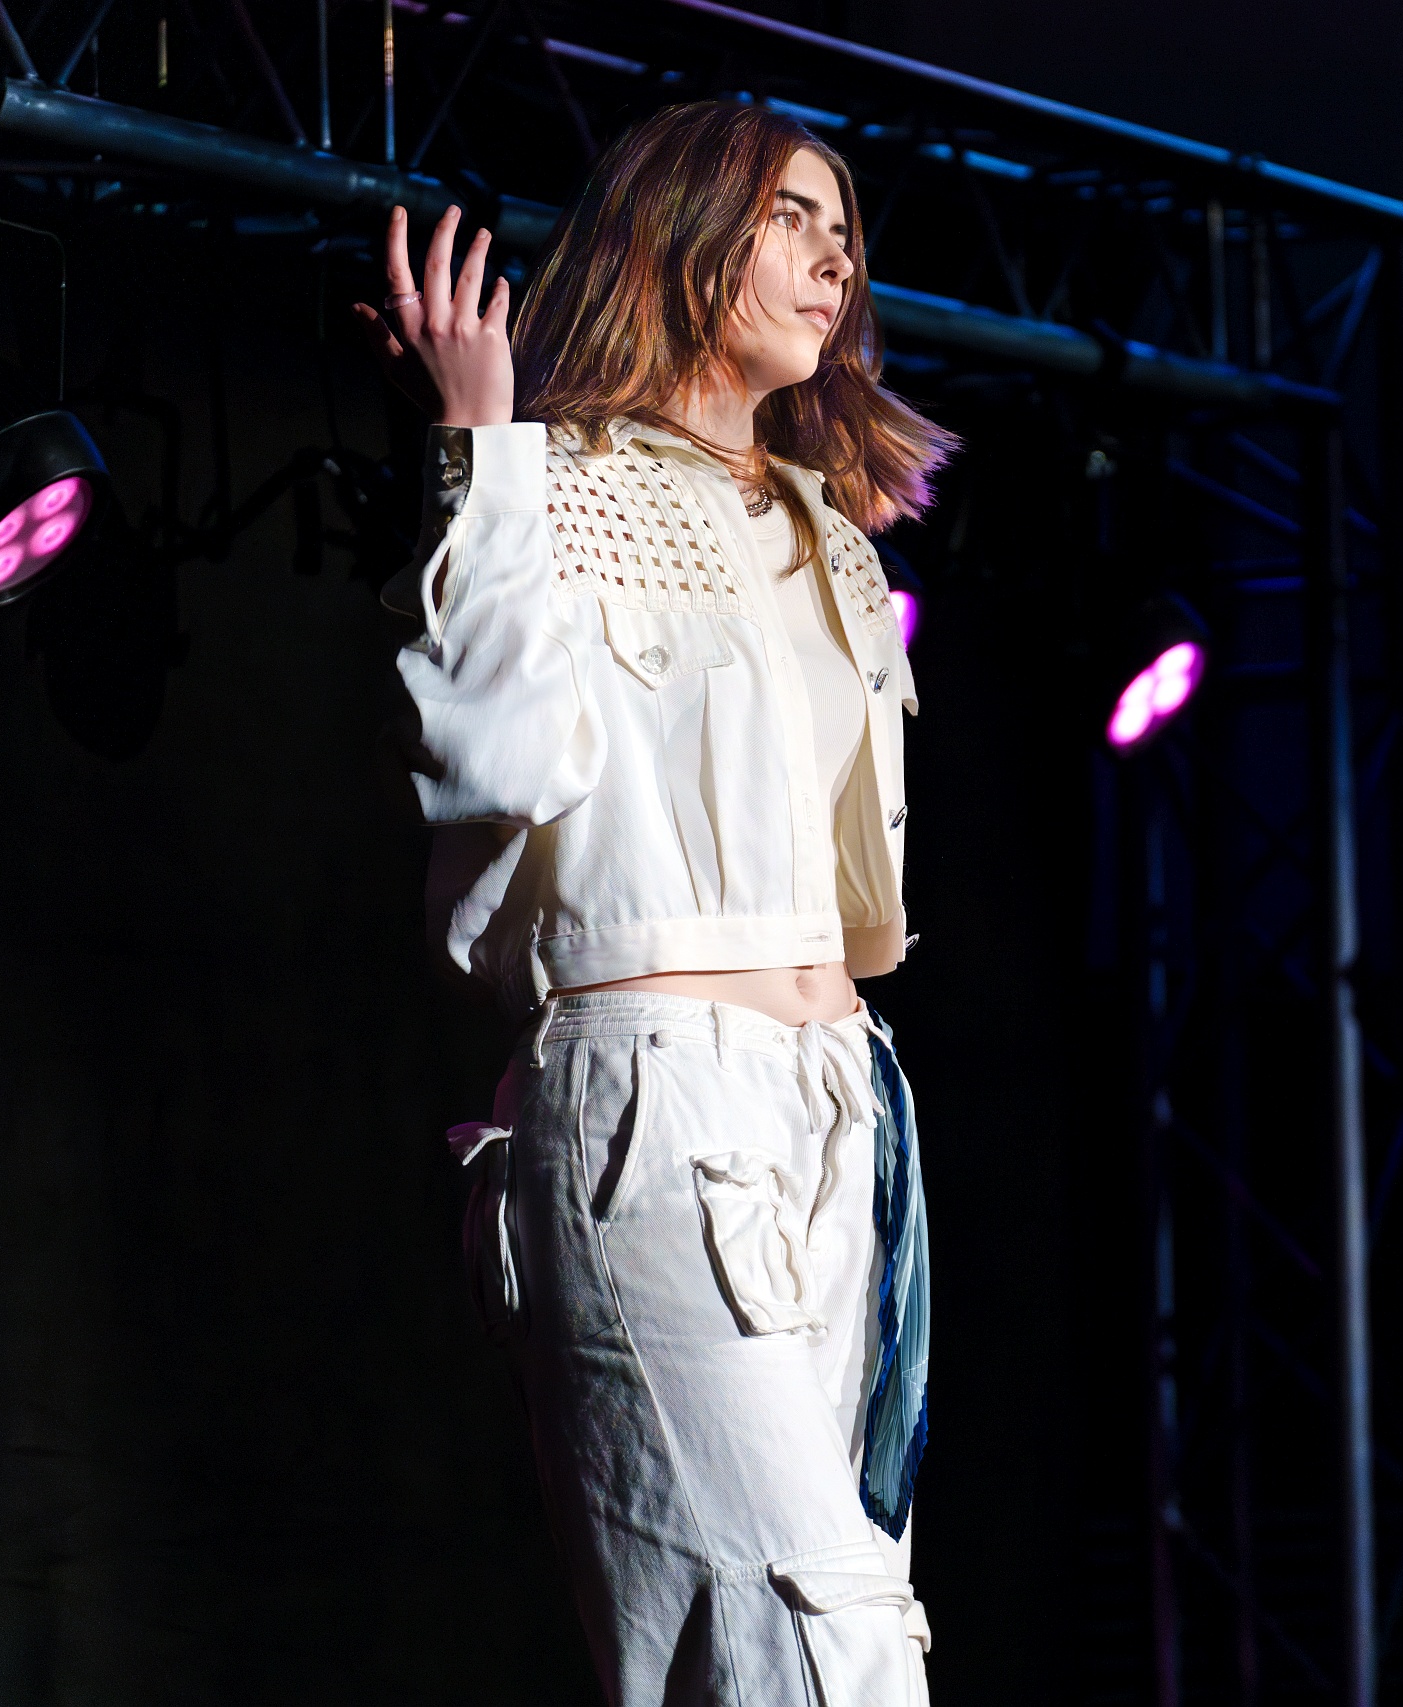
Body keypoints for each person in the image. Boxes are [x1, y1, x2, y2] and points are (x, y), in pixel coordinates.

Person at [354, 102, 954, 1706]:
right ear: (684, 235)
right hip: (653, 1100)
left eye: (844, 229)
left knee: (830, 1627)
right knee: (808, 1639)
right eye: (790, 217)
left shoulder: (837, 538)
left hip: (838, 1113)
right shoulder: (553, 485)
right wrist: (480, 447)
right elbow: (488, 763)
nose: (835, 257)